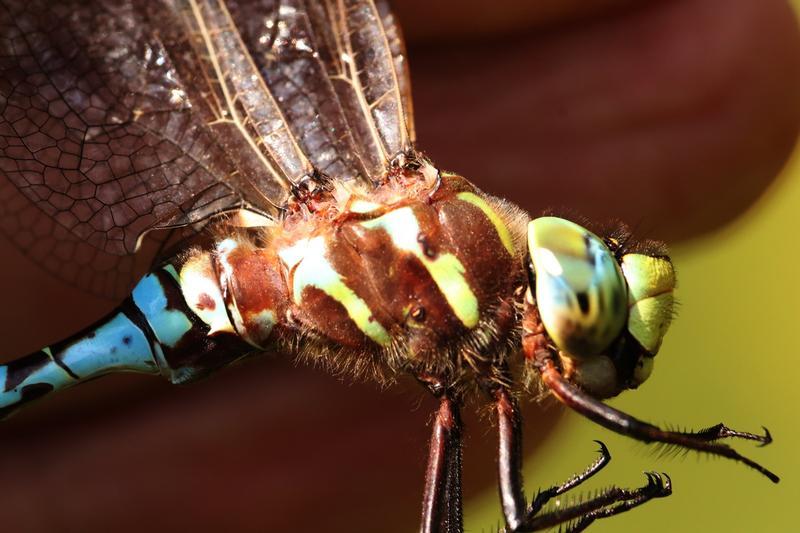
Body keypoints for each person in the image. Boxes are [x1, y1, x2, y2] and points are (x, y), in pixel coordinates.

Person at [0, 0, 797, 531]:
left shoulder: (481, 358)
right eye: (586, 297)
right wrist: (679, 440)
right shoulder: (468, 305)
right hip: (223, 284)